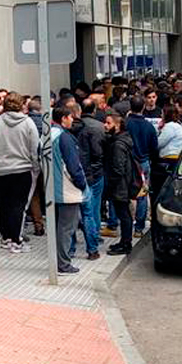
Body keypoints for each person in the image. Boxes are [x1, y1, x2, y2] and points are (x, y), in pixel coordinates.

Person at [0, 91, 40, 253]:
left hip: (1, 170)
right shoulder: (28, 123)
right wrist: (35, 166)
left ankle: (6, 237)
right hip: (22, 169)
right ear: (21, 105)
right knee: (19, 205)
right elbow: (34, 148)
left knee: (4, 205)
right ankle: (17, 240)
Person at [51, 108, 87, 275]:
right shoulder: (64, 138)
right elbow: (73, 166)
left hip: (51, 188)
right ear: (63, 118)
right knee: (66, 228)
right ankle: (63, 264)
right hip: (66, 189)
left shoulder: (48, 135)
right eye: (71, 117)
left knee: (58, 227)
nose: (72, 120)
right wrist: (82, 185)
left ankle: (58, 261)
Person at [74, 99, 105, 260]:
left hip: (75, 174)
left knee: (73, 212)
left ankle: (71, 249)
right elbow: (99, 153)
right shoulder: (99, 127)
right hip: (95, 174)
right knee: (92, 210)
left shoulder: (70, 129)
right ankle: (93, 242)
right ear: (93, 111)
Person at [125, 96, 158, 237]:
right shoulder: (148, 126)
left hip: (127, 162)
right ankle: (139, 228)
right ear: (143, 107)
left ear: (130, 108)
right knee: (142, 195)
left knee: (123, 193)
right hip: (143, 163)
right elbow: (154, 147)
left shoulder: (125, 124)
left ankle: (121, 224)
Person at [104, 115, 135, 256]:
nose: (105, 125)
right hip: (122, 184)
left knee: (124, 215)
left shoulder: (118, 145)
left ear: (117, 126)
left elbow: (118, 168)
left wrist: (110, 185)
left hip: (120, 186)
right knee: (124, 214)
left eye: (108, 123)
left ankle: (126, 244)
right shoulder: (121, 141)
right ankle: (124, 242)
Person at [153, 105, 182, 200]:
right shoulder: (177, 125)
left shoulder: (170, 127)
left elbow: (159, 143)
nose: (161, 114)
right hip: (175, 159)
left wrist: (158, 131)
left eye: (162, 113)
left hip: (168, 161)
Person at [26, 97, 46, 237]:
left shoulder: (26, 122)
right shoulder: (46, 123)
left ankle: (38, 225)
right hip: (46, 162)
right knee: (49, 192)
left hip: (31, 164)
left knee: (34, 195)